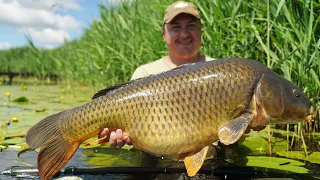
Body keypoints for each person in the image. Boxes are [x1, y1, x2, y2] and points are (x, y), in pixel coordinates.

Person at [98, 0, 215, 150]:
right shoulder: (145, 73)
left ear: (200, 30)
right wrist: (115, 133)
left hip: (213, 161)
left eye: (191, 26)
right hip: (156, 162)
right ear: (164, 34)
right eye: (176, 27)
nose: (184, 34)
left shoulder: (220, 71)